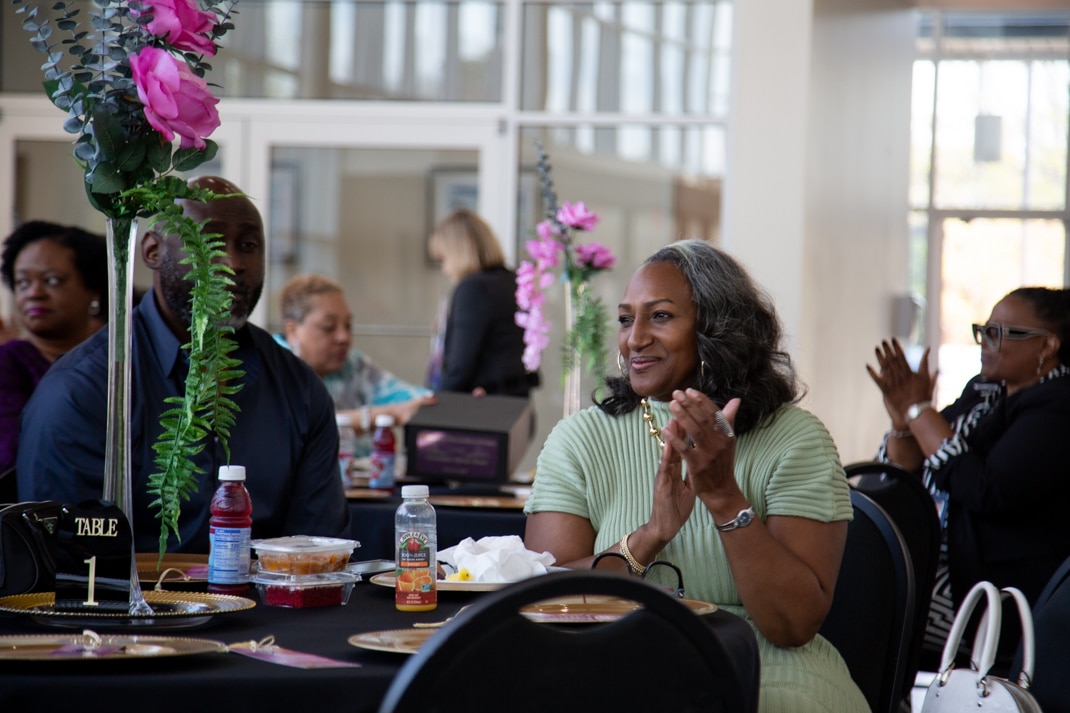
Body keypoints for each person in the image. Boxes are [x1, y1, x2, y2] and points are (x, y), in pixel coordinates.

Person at [524, 239, 867, 712]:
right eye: (626, 319)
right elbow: (544, 598)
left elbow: (792, 625)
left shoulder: (794, 439)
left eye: (660, 316)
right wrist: (650, 535)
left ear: (715, 329)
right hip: (615, 663)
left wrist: (724, 498)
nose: (635, 338)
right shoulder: (580, 439)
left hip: (766, 668)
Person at [18, 177, 350, 552]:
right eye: (207, 243)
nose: (232, 263)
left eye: (248, 245)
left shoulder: (299, 389)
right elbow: (67, 561)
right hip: (133, 592)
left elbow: (318, 550)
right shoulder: (84, 390)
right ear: (153, 251)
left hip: (271, 591)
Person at [867, 287, 1070, 662]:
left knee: (865, 604)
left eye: (999, 333)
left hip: (992, 589)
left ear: (1047, 345)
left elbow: (985, 488)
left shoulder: (1058, 407)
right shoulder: (984, 391)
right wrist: (903, 420)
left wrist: (918, 410)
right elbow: (905, 469)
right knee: (851, 581)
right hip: (935, 560)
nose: (986, 343)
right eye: (984, 330)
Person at [276, 273, 435, 455]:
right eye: (328, 327)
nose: (343, 337)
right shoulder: (272, 368)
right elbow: (300, 427)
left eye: (348, 326)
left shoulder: (352, 364)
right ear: (292, 330)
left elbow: (409, 400)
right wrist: (381, 416)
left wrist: (441, 405)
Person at [0, 221, 107, 474]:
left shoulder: (118, 360)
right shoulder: (8, 363)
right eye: (23, 283)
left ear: (93, 291)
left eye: (52, 280)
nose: (34, 293)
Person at [427, 209, 537, 397]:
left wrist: (438, 401)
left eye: (444, 259)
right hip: (517, 400)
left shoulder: (472, 289)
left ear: (459, 252)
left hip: (482, 404)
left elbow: (460, 367)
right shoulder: (513, 281)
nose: (445, 270)